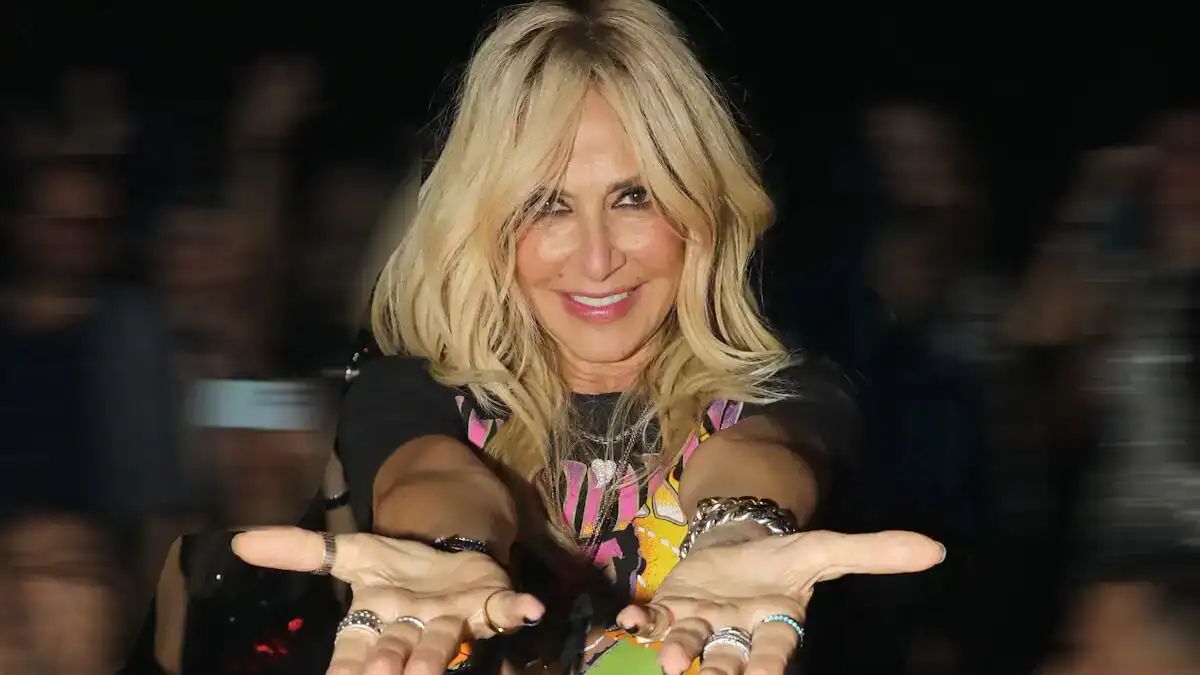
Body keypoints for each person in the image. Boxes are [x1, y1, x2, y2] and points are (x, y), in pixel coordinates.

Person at [232, 1, 945, 674]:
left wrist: (738, 530)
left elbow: (761, 454)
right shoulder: (410, 392)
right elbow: (434, 479)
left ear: (702, 206)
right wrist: (448, 549)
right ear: (485, 224)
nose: (598, 259)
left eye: (635, 196)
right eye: (548, 205)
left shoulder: (795, 394)